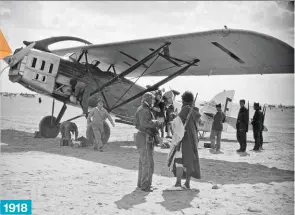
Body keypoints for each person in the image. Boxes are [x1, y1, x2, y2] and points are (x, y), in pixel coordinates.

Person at [170, 91, 201, 189]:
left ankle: (178, 183)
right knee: (190, 161)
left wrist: (173, 118)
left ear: (184, 101)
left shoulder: (185, 109)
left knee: (179, 160)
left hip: (184, 139)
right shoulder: (195, 111)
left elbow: (177, 124)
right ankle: (187, 183)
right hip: (193, 139)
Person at [134, 92, 161, 192]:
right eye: (153, 99)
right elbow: (144, 123)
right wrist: (155, 122)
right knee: (148, 163)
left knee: (143, 162)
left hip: (143, 137)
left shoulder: (142, 109)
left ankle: (141, 184)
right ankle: (145, 186)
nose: (153, 101)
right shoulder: (144, 110)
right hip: (145, 138)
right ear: (148, 100)